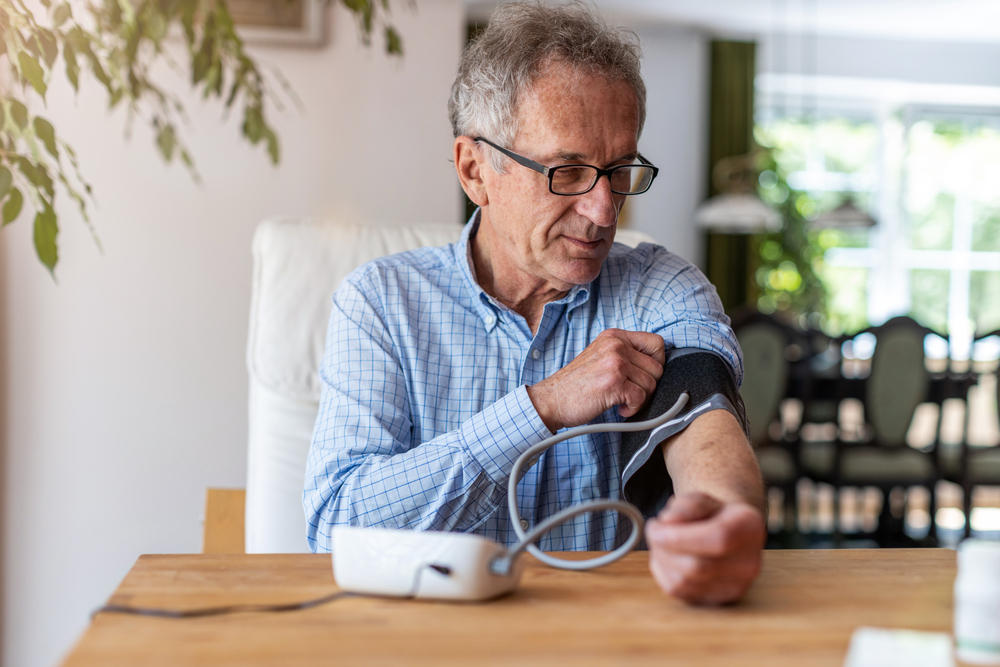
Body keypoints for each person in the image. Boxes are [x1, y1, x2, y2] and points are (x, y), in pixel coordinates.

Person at [304, 1, 765, 605]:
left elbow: (706, 419)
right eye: (567, 171)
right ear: (475, 171)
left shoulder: (663, 288)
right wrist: (543, 406)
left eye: (620, 169)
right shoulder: (381, 305)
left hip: (606, 640)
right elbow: (335, 531)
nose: (605, 211)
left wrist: (725, 515)